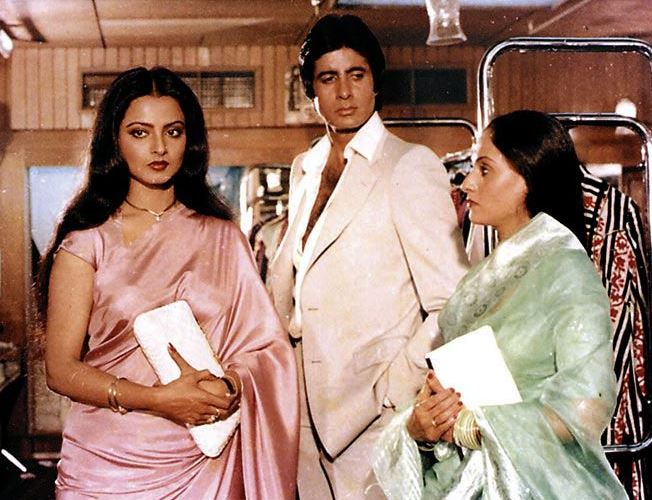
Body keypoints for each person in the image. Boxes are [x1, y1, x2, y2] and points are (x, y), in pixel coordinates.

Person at [37, 66, 299, 499]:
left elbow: (267, 349)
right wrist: (156, 399)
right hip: (107, 466)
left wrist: (230, 387)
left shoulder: (223, 237)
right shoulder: (87, 242)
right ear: (114, 140)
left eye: (173, 132)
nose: (158, 147)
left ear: (189, 140)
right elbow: (60, 370)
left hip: (206, 458)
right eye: (140, 133)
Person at [372, 110, 629, 499]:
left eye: (485, 170)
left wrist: (479, 426)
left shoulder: (567, 272)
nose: (468, 183)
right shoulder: (479, 279)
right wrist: (424, 422)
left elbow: (586, 407)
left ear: (527, 179)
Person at [268, 14, 469, 499]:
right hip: (303, 407)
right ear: (311, 91)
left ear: (375, 81)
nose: (344, 92)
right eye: (328, 78)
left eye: (356, 74)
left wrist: (393, 391)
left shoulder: (408, 165)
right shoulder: (305, 168)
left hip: (374, 414)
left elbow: (451, 304)